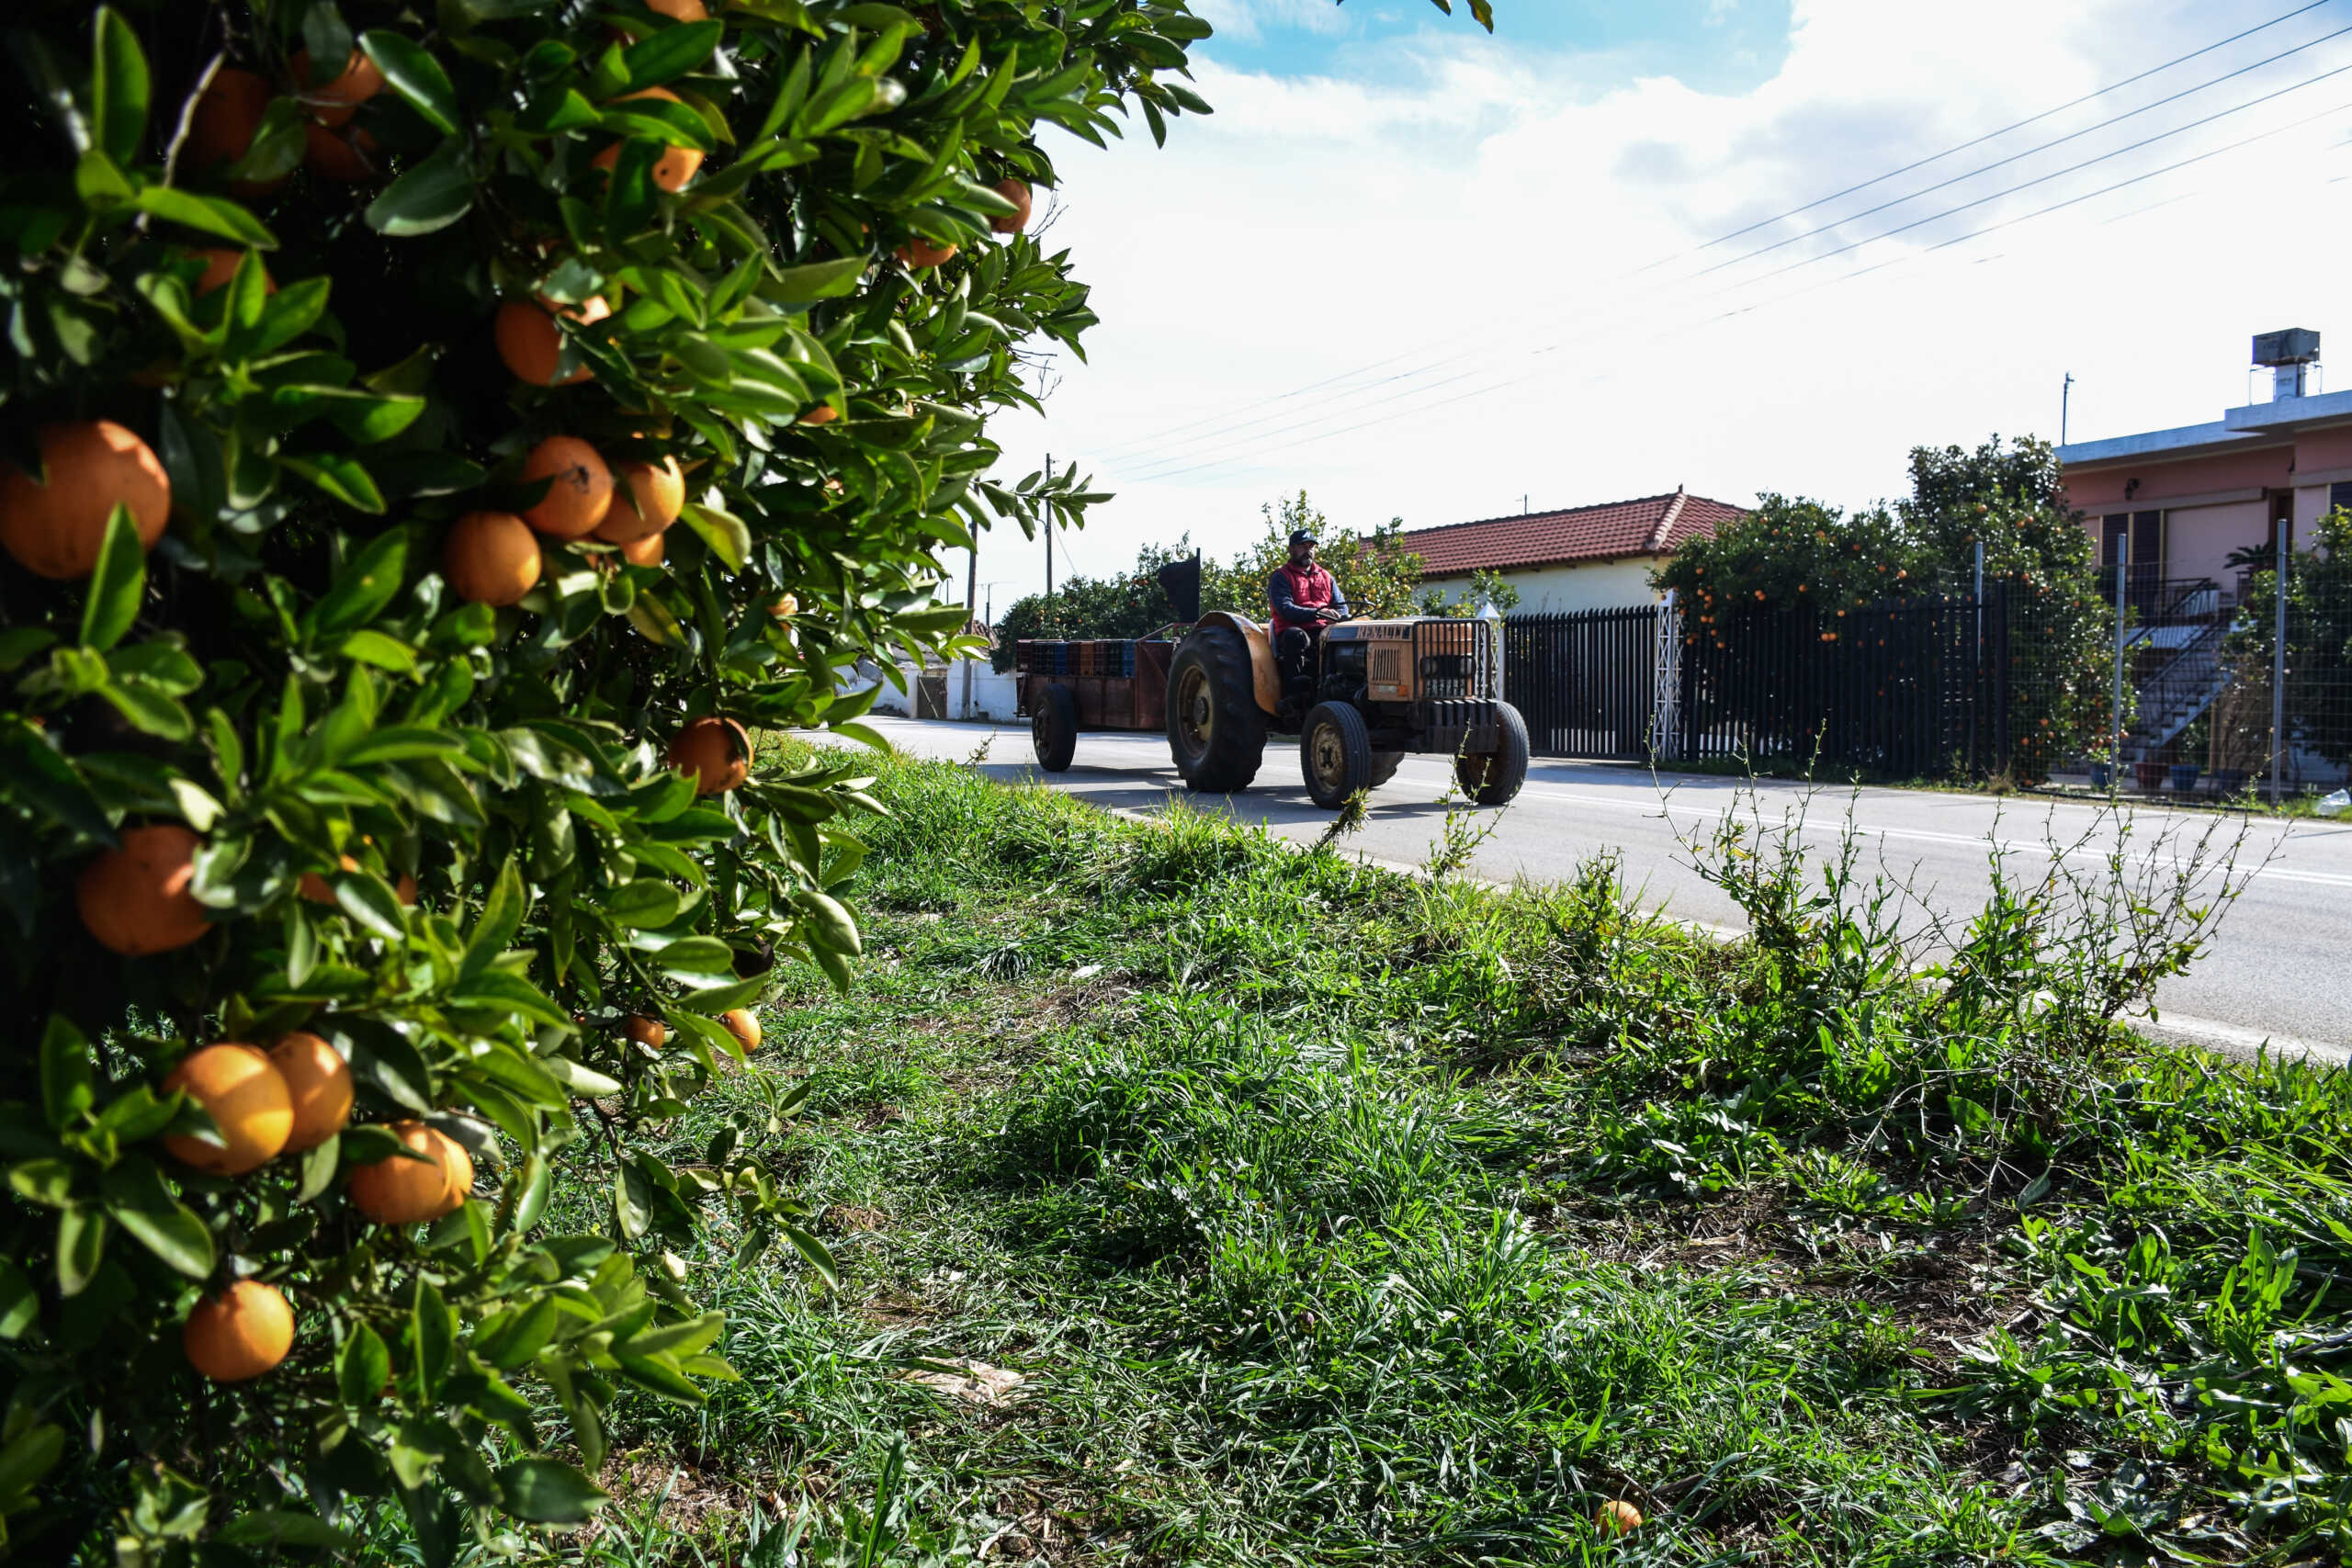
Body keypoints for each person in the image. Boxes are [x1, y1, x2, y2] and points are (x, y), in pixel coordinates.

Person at [1268, 528, 1349, 692]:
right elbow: (1285, 609)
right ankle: (1294, 693)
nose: (1308, 550)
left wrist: (1340, 616)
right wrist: (1317, 613)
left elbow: (1341, 606)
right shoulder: (1281, 576)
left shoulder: (1325, 576)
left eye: (1311, 546)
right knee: (1296, 636)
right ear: (1291, 550)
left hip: (1325, 631)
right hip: (1295, 631)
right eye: (1302, 546)